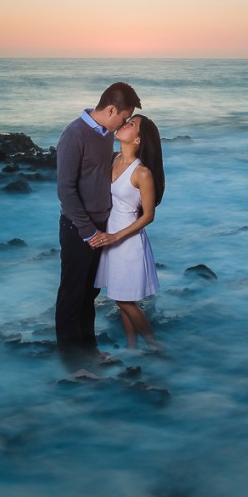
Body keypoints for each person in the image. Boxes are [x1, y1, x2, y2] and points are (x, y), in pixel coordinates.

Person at [55, 82, 141, 363]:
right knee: (72, 294)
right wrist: (88, 231)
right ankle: (71, 362)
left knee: (89, 293)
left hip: (101, 228)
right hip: (79, 229)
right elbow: (65, 190)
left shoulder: (106, 134)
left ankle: (88, 351)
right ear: (112, 109)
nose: (125, 123)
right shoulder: (74, 135)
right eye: (125, 117)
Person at [90, 114, 164, 350]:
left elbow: (148, 216)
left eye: (131, 124)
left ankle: (154, 346)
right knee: (122, 299)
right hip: (111, 236)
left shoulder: (142, 173)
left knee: (124, 300)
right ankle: (132, 349)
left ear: (138, 140)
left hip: (128, 241)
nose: (124, 124)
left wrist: (114, 237)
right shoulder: (114, 159)